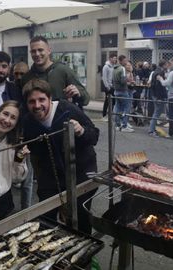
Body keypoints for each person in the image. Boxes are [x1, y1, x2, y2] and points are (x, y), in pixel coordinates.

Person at [22, 79, 99, 234]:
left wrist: (81, 131)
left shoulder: (67, 109)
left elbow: (94, 135)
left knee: (79, 216)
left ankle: (85, 252)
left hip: (81, 173)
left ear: (50, 99)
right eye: (32, 101)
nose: (37, 106)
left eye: (41, 100)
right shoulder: (28, 122)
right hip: (51, 177)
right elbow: (35, 155)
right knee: (46, 218)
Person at [21, 36, 90, 108]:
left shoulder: (63, 71)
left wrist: (78, 93)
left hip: (62, 117)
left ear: (49, 51)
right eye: (33, 51)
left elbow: (86, 99)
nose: (37, 54)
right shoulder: (26, 78)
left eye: (40, 50)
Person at [11, 61, 34, 209]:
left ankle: (26, 211)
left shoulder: (32, 91)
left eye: (22, 74)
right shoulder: (10, 89)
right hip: (10, 139)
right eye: (16, 73)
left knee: (27, 179)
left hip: (28, 138)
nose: (19, 77)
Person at [112, 55, 134, 132]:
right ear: (121, 61)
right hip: (123, 91)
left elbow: (114, 80)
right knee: (126, 108)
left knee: (118, 108)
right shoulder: (122, 69)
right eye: (125, 61)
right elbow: (123, 81)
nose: (126, 62)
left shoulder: (115, 68)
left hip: (116, 91)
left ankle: (118, 125)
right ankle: (124, 126)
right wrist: (128, 80)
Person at [148, 59, 169, 137]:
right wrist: (159, 97)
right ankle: (151, 130)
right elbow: (158, 86)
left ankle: (152, 129)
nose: (167, 66)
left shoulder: (156, 71)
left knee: (156, 113)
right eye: (167, 64)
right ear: (164, 65)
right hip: (158, 96)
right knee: (156, 113)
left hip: (155, 95)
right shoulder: (160, 72)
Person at [101, 52, 117, 120]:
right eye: (114, 58)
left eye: (116, 59)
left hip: (113, 86)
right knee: (107, 101)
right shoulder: (106, 67)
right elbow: (104, 78)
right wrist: (107, 87)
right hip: (108, 87)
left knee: (113, 101)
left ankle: (110, 115)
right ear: (110, 58)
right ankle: (104, 115)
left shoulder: (113, 66)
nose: (115, 60)